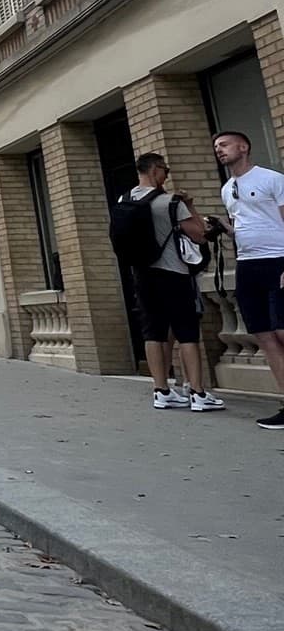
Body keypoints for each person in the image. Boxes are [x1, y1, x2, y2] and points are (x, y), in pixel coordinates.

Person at [112, 152, 222, 411]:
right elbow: (200, 235)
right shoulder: (171, 202)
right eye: (166, 171)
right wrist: (190, 206)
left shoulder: (123, 200)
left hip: (141, 274)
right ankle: (197, 393)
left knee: (153, 332)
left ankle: (161, 390)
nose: (166, 176)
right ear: (155, 170)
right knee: (187, 333)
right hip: (173, 273)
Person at [214, 129, 284, 425]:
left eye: (224, 145)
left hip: (277, 261)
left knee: (282, 332)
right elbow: (244, 226)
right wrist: (223, 228)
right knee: (264, 337)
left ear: (243, 147)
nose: (219, 150)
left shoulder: (271, 179)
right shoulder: (227, 188)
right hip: (247, 265)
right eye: (216, 147)